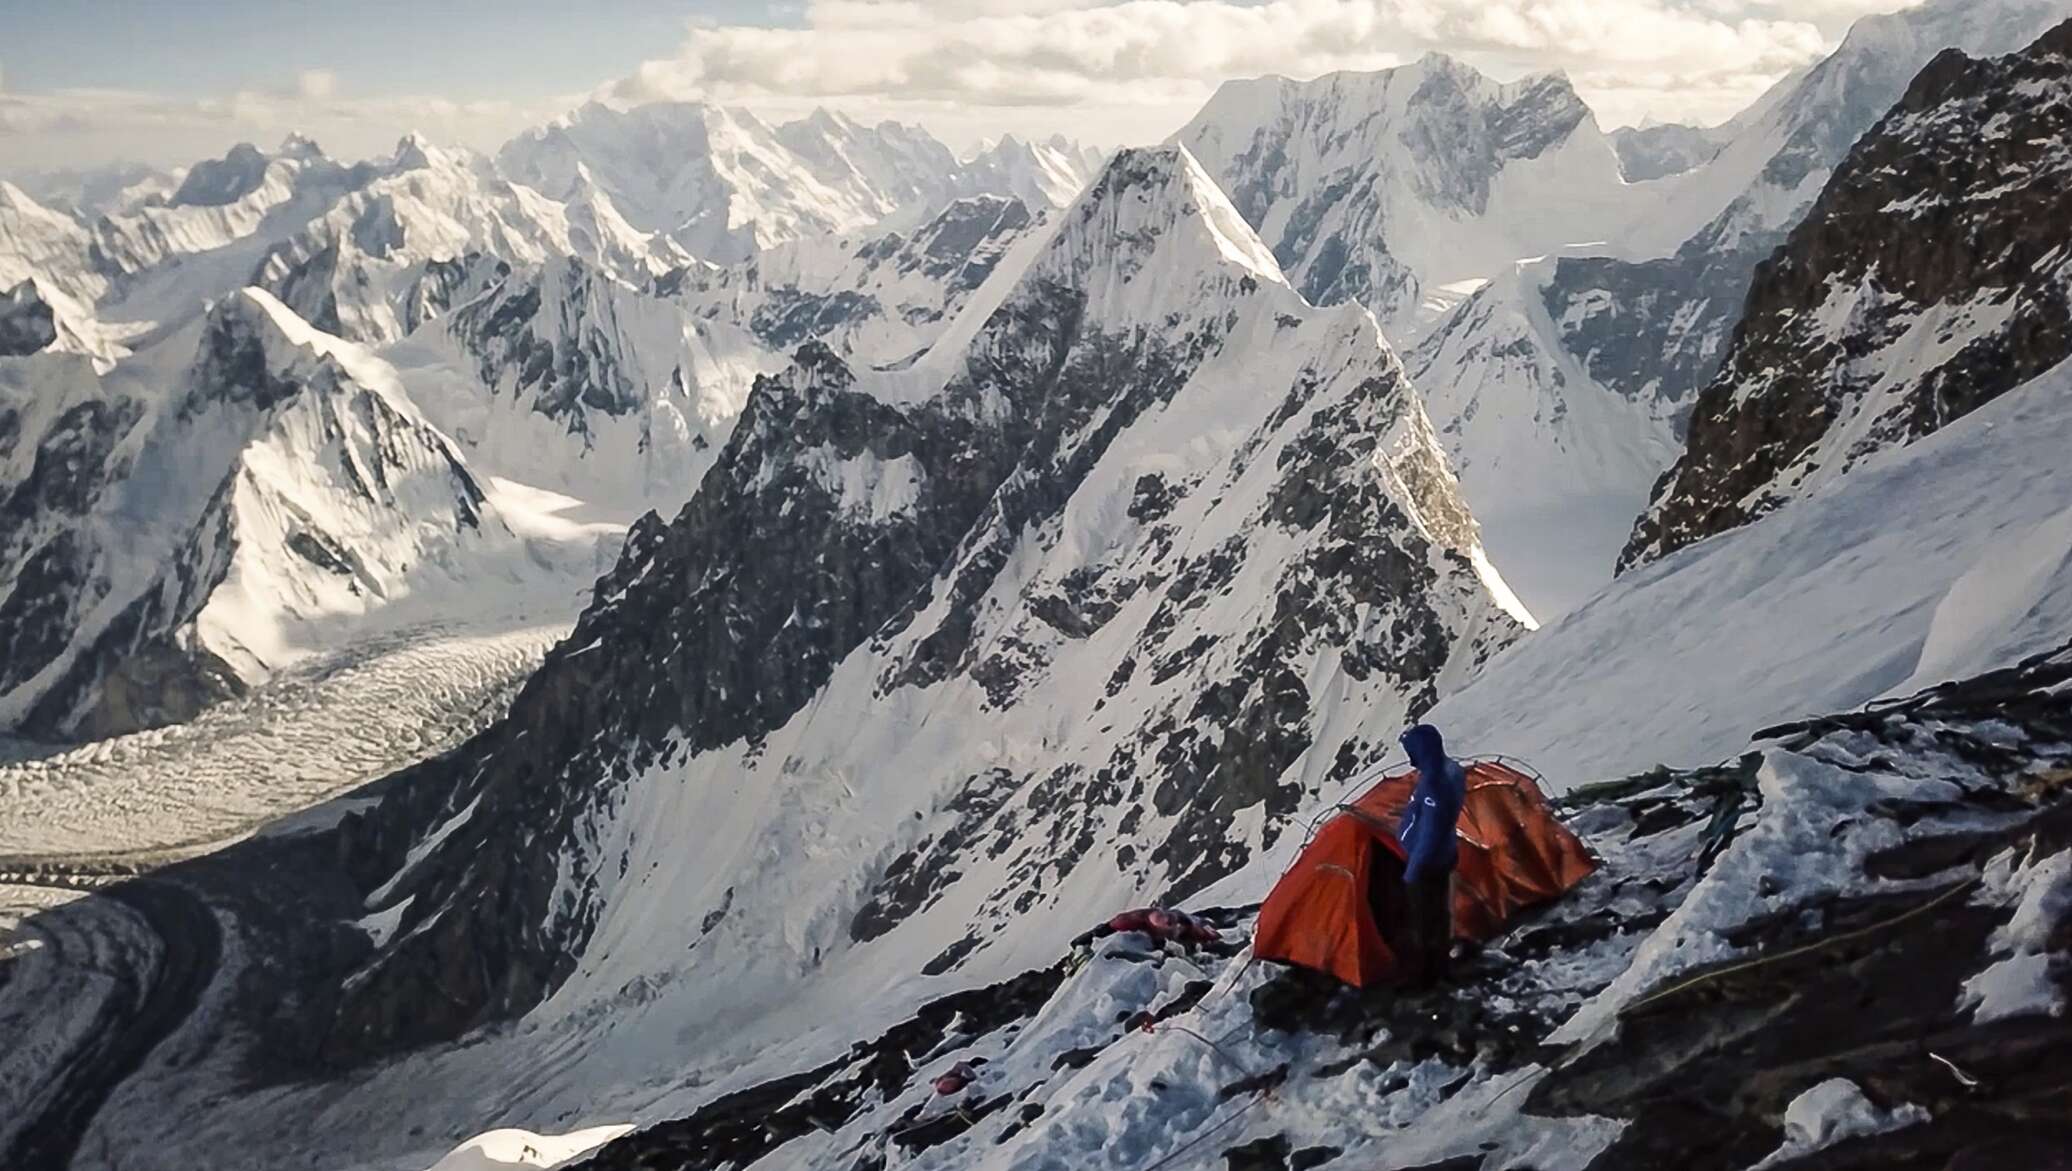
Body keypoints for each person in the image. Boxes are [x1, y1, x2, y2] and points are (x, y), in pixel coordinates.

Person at [1397, 723, 1465, 988]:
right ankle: (1441, 967)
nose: (1410, 757)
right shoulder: (1452, 771)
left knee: (1425, 919)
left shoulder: (1434, 783)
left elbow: (1430, 832)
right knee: (1440, 914)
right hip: (1446, 854)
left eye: (1411, 750)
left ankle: (1427, 976)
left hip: (1428, 863)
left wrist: (1413, 869)